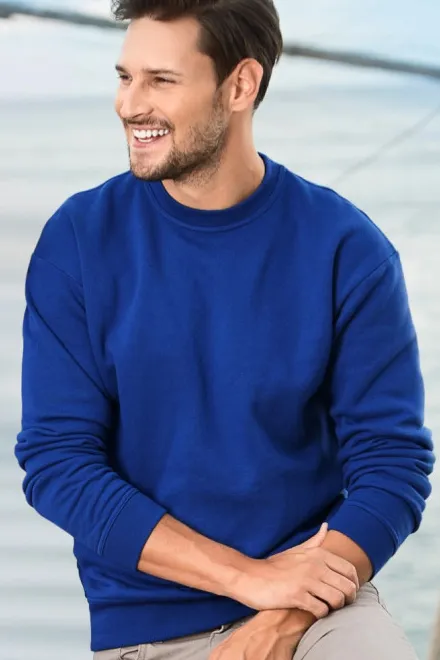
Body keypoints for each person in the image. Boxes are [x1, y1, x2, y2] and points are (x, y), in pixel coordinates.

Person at [15, 0, 435, 659]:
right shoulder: (79, 240)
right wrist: (248, 579)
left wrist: (285, 611)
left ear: (240, 85)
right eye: (125, 77)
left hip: (320, 609)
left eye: (161, 80)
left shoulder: (345, 248)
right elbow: (58, 463)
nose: (130, 104)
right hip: (147, 629)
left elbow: (393, 462)